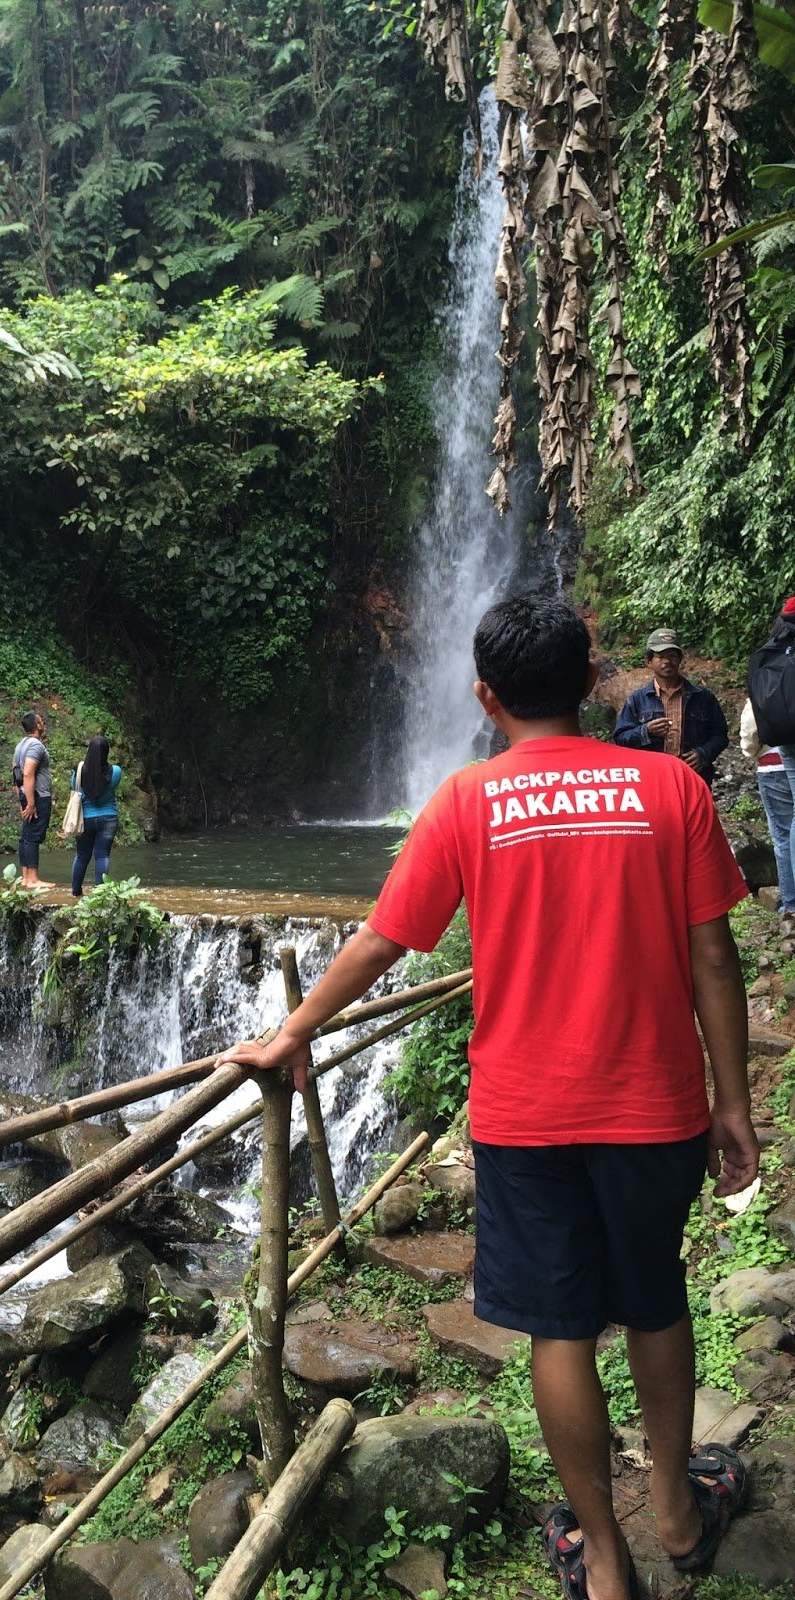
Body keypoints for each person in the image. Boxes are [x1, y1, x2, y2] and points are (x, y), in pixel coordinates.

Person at [217, 595, 758, 1600]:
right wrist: (734, 1101)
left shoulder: (468, 800)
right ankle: (680, 1511)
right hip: (657, 1107)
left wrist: (294, 1030)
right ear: (596, 681)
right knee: (655, 1299)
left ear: (485, 696)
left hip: (528, 1117)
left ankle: (602, 1559)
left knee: (561, 1330)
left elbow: (384, 939)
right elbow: (715, 957)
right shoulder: (669, 790)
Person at [612, 627, 728, 784]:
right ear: (649, 661)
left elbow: (720, 735)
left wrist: (702, 754)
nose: (667, 661)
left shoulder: (703, 697)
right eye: (660, 656)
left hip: (694, 776)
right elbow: (620, 738)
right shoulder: (638, 700)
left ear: (679, 659)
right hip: (652, 777)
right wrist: (646, 731)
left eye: (672, 656)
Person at [740, 696, 795, 915]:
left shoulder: (766, 681)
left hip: (772, 765)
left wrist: (753, 753)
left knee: (782, 834)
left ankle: (791, 901)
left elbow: (750, 730)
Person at [69, 736, 122, 897]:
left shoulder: (78, 773)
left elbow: (75, 788)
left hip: (85, 819)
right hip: (108, 818)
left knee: (82, 856)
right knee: (102, 856)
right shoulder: (116, 772)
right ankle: (100, 894)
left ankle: (76, 891)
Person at [13, 710, 54, 889]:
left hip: (26, 793)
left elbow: (16, 773)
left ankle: (25, 877)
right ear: (37, 725)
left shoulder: (20, 745)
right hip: (37, 796)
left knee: (26, 835)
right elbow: (28, 773)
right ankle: (33, 879)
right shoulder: (36, 746)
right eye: (41, 720)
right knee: (33, 837)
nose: (43, 723)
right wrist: (31, 803)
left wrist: (20, 796)